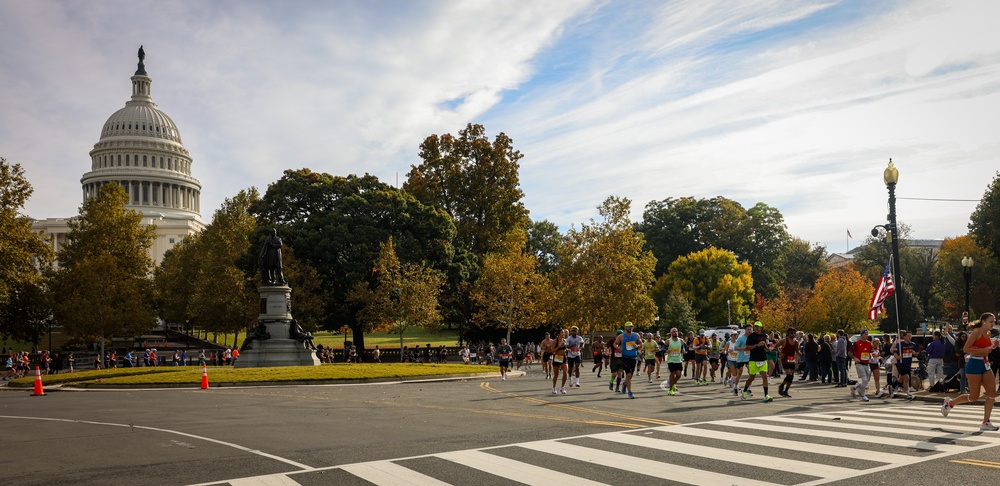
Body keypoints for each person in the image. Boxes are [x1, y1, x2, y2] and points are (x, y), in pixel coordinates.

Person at [942, 313, 999, 431]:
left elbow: (986, 350)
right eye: (991, 321)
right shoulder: (976, 332)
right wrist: (985, 349)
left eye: (994, 321)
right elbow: (966, 349)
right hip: (974, 364)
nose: (993, 323)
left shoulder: (988, 334)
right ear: (983, 321)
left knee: (992, 393)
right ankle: (950, 403)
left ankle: (986, 422)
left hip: (985, 364)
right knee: (974, 397)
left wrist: (992, 347)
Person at [741, 321, 772, 402]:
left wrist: (767, 349)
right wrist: (756, 345)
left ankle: (766, 395)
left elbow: (764, 343)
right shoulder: (751, 336)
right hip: (753, 359)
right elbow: (747, 347)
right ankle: (744, 390)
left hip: (763, 359)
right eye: (755, 326)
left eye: (758, 326)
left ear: (761, 328)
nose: (756, 328)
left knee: (765, 376)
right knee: (752, 377)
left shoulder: (764, 336)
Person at [614, 322, 643, 399]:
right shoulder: (621, 336)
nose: (630, 328)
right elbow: (615, 344)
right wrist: (618, 348)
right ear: (625, 327)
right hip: (625, 357)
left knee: (630, 376)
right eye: (629, 327)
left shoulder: (636, 335)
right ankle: (630, 392)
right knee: (628, 374)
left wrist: (637, 345)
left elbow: (641, 343)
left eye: (631, 327)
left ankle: (624, 384)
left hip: (633, 357)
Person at [890, 331, 916, 400]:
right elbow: (895, 353)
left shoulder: (912, 344)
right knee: (906, 378)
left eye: (910, 336)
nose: (909, 337)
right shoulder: (900, 345)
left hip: (908, 364)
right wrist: (898, 357)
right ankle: (908, 394)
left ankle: (892, 387)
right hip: (901, 364)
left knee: (901, 379)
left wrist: (915, 353)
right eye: (908, 336)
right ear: (904, 337)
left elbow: (916, 353)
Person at [851, 330, 873, 401]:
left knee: (866, 381)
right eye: (865, 334)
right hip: (859, 364)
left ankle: (854, 387)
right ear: (861, 335)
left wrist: (871, 357)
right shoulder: (857, 343)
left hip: (867, 364)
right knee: (864, 380)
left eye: (867, 334)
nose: (867, 335)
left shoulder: (869, 343)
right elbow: (849, 352)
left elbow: (871, 352)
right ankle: (863, 395)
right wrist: (854, 358)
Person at [776, 328, 798, 398]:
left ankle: (786, 391)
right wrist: (780, 353)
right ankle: (781, 386)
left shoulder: (796, 342)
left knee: (791, 377)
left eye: (794, 333)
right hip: (785, 359)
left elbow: (797, 351)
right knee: (789, 375)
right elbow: (776, 346)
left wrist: (802, 356)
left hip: (792, 360)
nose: (793, 334)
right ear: (788, 333)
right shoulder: (784, 340)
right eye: (791, 333)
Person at [665, 327, 684, 396]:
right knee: (672, 374)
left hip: (678, 359)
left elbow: (683, 347)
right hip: (671, 360)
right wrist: (666, 351)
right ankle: (670, 390)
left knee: (678, 375)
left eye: (676, 331)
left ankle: (673, 384)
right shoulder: (668, 341)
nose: (675, 332)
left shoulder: (681, 340)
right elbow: (663, 348)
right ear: (671, 333)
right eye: (673, 331)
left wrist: (683, 350)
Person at [551, 329, 569, 394]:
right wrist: (559, 347)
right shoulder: (555, 341)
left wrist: (567, 350)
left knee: (565, 373)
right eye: (562, 332)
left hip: (563, 358)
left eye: (564, 332)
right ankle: (554, 387)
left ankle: (562, 387)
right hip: (557, 357)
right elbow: (553, 351)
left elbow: (565, 349)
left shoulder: (565, 341)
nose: (563, 334)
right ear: (558, 334)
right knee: (556, 374)